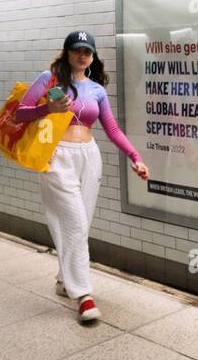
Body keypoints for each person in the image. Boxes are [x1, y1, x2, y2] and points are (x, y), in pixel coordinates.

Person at [13, 30, 149, 322]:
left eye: (87, 51)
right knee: (74, 222)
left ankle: (64, 279)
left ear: (92, 57)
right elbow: (18, 114)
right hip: (56, 156)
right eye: (76, 49)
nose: (82, 55)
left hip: (89, 156)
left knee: (81, 224)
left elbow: (111, 129)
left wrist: (135, 158)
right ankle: (83, 295)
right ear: (67, 53)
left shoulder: (97, 90)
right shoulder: (48, 80)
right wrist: (45, 108)